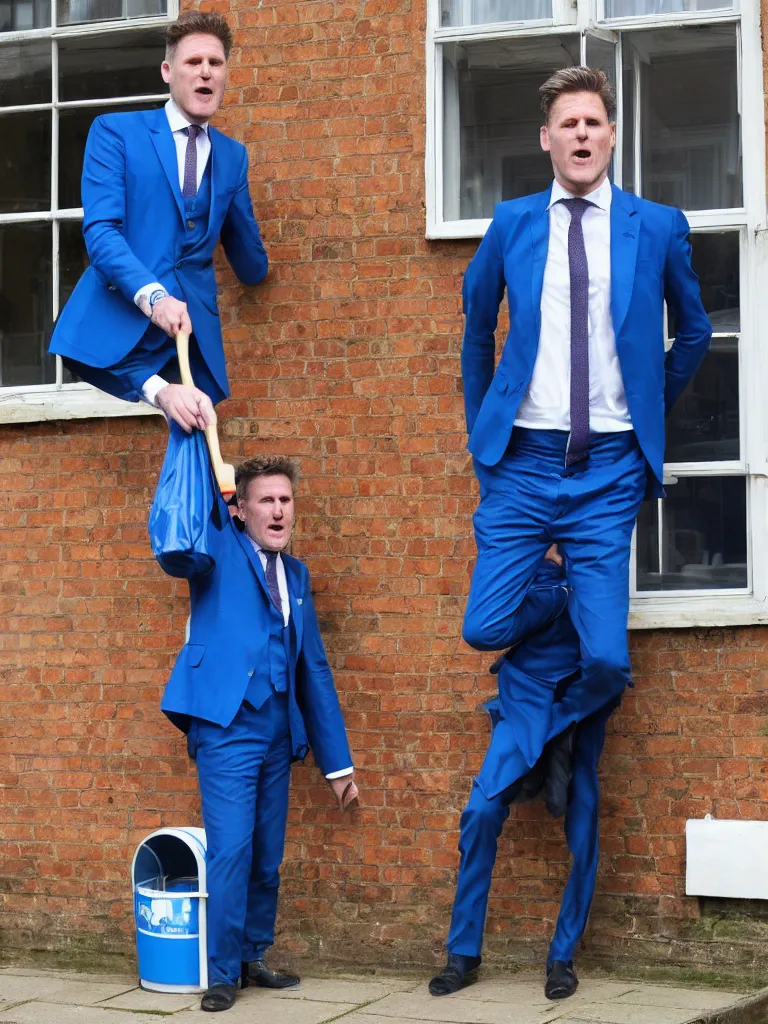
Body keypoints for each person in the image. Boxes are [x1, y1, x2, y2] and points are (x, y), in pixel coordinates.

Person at [443, 64, 711, 996]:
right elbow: (476, 331)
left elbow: (696, 334)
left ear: (611, 135)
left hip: (604, 473)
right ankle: (546, 730)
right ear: (547, 139)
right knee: (483, 625)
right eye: (570, 122)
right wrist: (487, 446)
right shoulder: (513, 224)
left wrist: (646, 425)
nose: (585, 134)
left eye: (597, 120)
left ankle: (553, 737)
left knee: (605, 659)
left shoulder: (657, 226)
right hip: (523, 463)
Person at [160, 454, 359, 1013]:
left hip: (278, 731)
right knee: (231, 850)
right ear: (242, 509)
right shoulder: (217, 548)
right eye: (266, 500)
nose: (277, 510)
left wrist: (337, 764)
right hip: (227, 727)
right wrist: (194, 432)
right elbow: (193, 510)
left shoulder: (297, 576)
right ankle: (222, 972)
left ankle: (251, 956)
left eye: (285, 500)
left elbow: (312, 669)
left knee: (267, 855)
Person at [48, 12, 268, 433]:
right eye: (193, 62)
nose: (205, 72)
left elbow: (250, 265)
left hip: (194, 342)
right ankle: (157, 390)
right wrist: (154, 298)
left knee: (199, 464)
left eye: (216, 63)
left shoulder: (233, 156)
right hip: (126, 321)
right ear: (168, 71)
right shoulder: (115, 133)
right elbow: (102, 234)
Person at [430, 555, 617, 1000]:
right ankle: (463, 953)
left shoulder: (599, 557)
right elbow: (494, 622)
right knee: (479, 812)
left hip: (578, 705)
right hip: (525, 701)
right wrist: (552, 586)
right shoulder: (521, 555)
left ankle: (562, 958)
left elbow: (609, 647)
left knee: (584, 825)